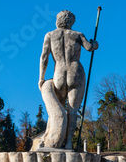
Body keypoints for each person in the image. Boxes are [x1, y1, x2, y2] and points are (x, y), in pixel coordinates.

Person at [38, 10, 98, 149]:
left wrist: (41, 78)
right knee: (72, 111)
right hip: (75, 73)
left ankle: (48, 138)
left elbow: (44, 57)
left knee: (55, 110)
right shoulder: (77, 35)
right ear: (70, 21)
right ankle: (69, 143)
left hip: (59, 74)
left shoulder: (50, 35)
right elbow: (89, 48)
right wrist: (95, 44)